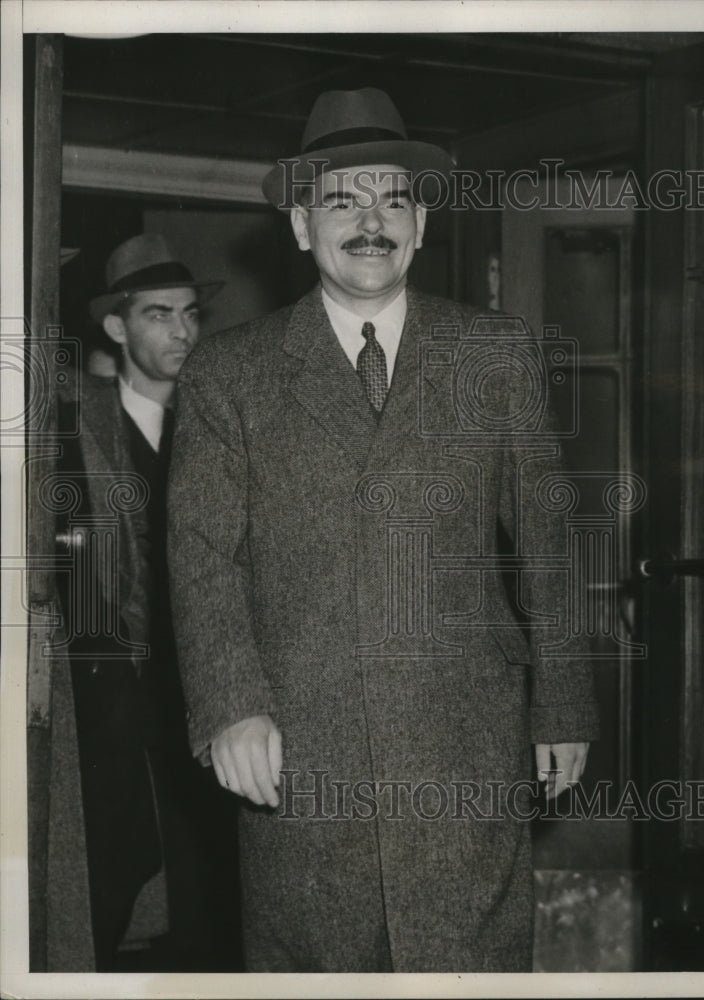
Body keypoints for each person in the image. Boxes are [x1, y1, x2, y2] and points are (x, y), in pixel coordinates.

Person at [168, 89, 599, 973]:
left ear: (421, 224)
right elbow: (204, 556)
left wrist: (563, 701)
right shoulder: (229, 373)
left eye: (393, 201)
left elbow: (548, 541)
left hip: (465, 745)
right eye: (342, 201)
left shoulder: (493, 353)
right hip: (301, 753)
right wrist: (232, 706)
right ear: (301, 226)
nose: (371, 223)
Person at [52, 234, 241, 971]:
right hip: (118, 697)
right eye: (159, 314)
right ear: (116, 326)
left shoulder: (222, 425)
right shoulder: (78, 433)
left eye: (190, 313)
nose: (183, 332)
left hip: (211, 689)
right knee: (121, 874)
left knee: (210, 893)